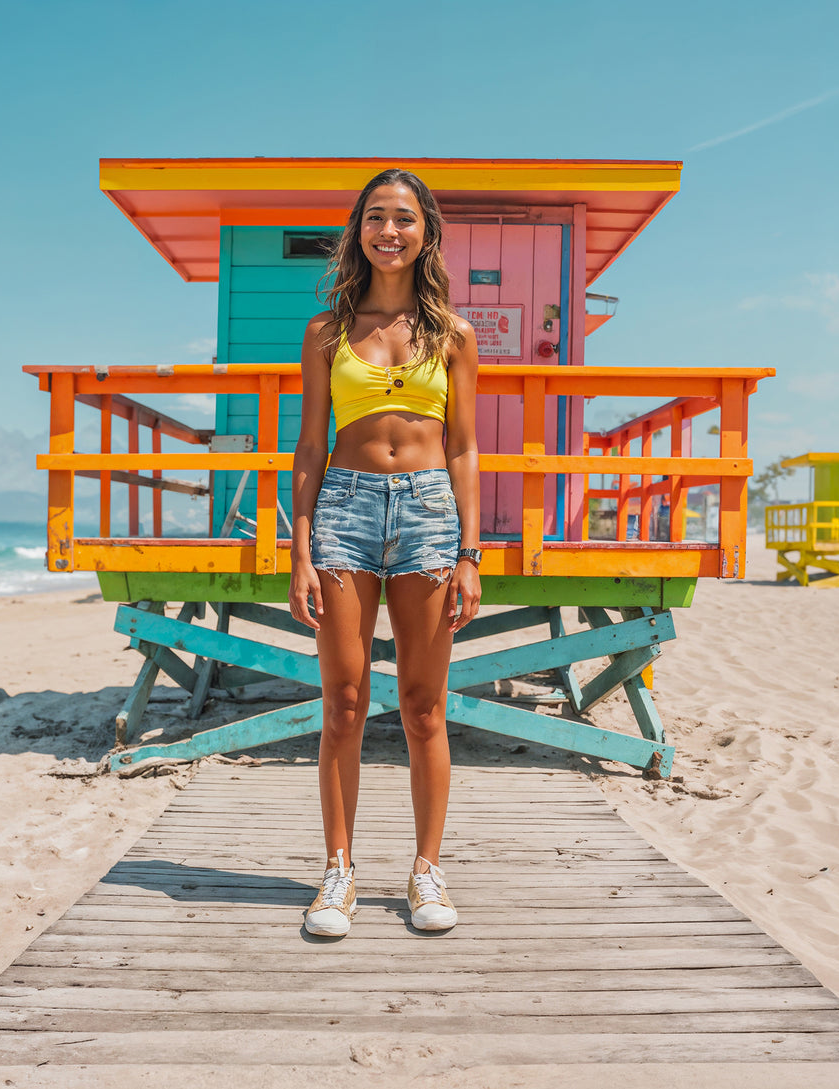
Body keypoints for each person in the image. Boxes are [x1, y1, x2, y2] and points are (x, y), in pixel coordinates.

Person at [289, 168, 482, 937]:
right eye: (376, 217)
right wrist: (300, 548)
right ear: (357, 230)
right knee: (341, 703)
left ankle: (426, 871)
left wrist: (471, 549)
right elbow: (308, 447)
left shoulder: (453, 335)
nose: (389, 231)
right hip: (343, 509)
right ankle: (336, 871)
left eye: (404, 218)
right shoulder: (327, 332)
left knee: (422, 705)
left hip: (431, 512)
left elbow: (465, 448)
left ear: (426, 232)